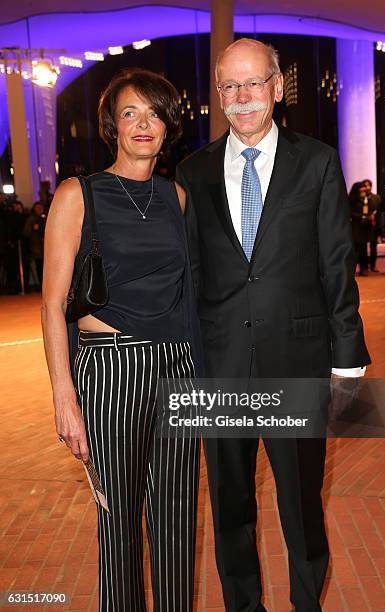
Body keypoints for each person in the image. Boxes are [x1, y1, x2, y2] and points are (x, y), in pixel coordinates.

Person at [176, 38, 370, 612]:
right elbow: (189, 274)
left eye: (252, 84)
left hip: (299, 365)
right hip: (222, 368)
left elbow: (337, 263)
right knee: (231, 506)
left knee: (302, 505)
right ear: (218, 94)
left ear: (277, 88)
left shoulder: (318, 161)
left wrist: (347, 362)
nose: (240, 98)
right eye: (228, 87)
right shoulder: (193, 170)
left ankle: (306, 603)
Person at [42, 68, 202, 612]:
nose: (143, 124)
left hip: (177, 368)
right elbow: (51, 303)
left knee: (178, 516)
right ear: (112, 124)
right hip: (110, 369)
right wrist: (65, 396)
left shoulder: (175, 197)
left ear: (167, 126)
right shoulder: (77, 193)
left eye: (154, 113)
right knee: (118, 523)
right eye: (130, 112)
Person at [349, 181, 376, 276]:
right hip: (356, 227)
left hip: (365, 228)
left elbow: (372, 208)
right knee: (355, 250)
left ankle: (364, 268)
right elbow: (350, 212)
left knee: (364, 249)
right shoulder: (352, 200)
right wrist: (362, 217)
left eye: (364, 187)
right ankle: (351, 269)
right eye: (361, 187)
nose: (364, 189)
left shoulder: (366, 199)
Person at [23, 201, 47, 290]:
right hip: (36, 247)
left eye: (41, 207)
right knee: (39, 267)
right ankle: (41, 286)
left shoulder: (46, 217)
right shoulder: (31, 219)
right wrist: (33, 229)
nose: (39, 209)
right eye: (37, 208)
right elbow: (26, 233)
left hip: (46, 247)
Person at [361, 178, 382, 272]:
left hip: (374, 226)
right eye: (365, 185)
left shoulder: (376, 197)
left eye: (369, 185)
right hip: (364, 226)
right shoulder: (361, 198)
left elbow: (380, 212)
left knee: (374, 247)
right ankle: (364, 267)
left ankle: (373, 266)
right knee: (363, 248)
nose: (367, 187)